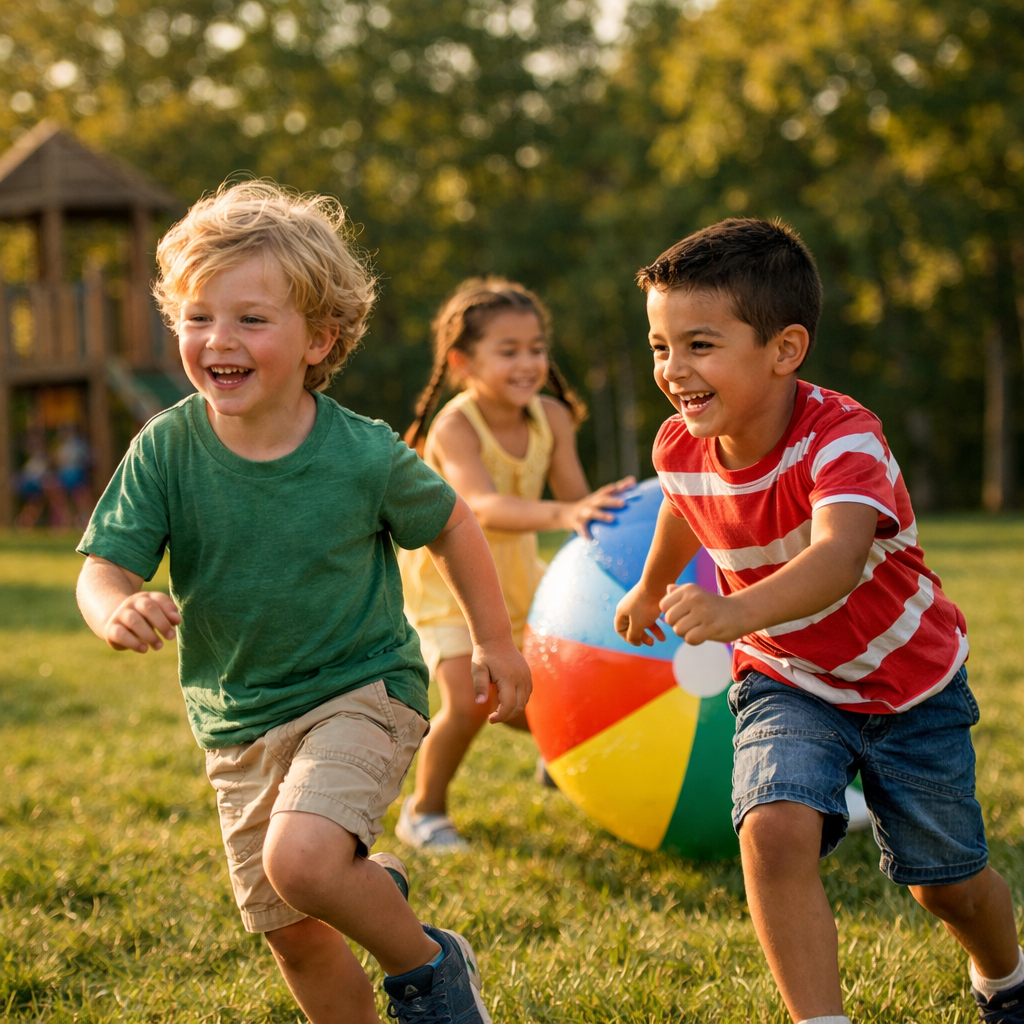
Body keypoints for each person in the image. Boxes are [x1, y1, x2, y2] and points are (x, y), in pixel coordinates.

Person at [74, 181, 530, 1024]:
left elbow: (455, 524)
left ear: (321, 338)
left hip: (360, 690)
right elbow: (102, 566)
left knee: (304, 862)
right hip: (238, 722)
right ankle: (369, 884)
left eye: (252, 319)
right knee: (299, 933)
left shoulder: (363, 453)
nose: (219, 339)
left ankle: (433, 970)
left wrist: (494, 643)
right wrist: (113, 606)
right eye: (198, 315)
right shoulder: (167, 447)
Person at [615, 218, 1024, 1024]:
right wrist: (647, 584)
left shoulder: (844, 439)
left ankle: (1005, 977)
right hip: (786, 679)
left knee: (945, 883)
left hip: (910, 687)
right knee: (770, 829)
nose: (673, 370)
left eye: (699, 345)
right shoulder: (680, 446)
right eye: (661, 346)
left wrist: (730, 609)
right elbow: (680, 504)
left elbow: (837, 559)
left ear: (785, 348)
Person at [395, 278, 633, 851]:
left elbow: (578, 501)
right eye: (508, 351)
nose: (528, 362)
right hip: (448, 583)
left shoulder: (551, 416)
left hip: (521, 579)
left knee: (543, 695)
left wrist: (612, 529)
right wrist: (564, 511)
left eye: (535, 347)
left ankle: (560, 754)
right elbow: (480, 507)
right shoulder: (455, 426)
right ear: (462, 362)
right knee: (472, 699)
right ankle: (423, 811)